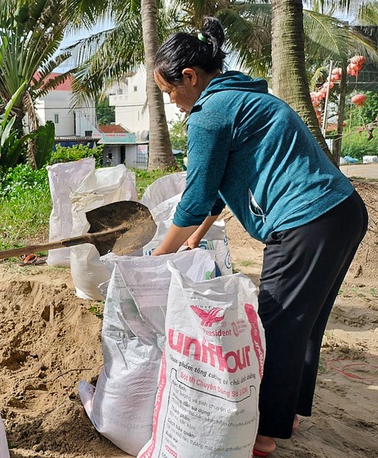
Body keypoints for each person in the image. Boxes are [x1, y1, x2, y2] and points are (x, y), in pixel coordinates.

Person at [150, 17, 368, 457]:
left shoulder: (209, 114)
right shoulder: (241, 97)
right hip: (341, 212)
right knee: (304, 324)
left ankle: (263, 435)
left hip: (306, 221)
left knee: (273, 327)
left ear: (189, 78)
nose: (172, 102)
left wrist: (157, 255)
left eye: (170, 91)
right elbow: (216, 192)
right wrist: (196, 239)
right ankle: (284, 415)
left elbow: (193, 198)